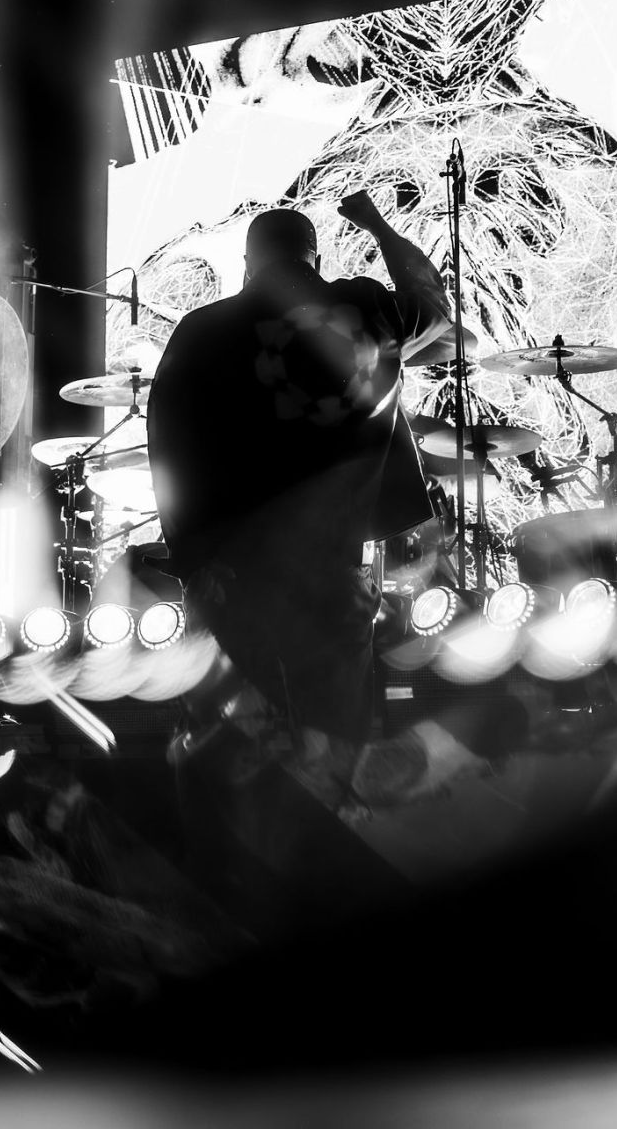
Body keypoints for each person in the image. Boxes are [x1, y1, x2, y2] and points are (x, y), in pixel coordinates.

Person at [148, 192, 450, 795]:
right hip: (332, 569)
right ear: (315, 257)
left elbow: (168, 442)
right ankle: (334, 833)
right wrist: (378, 225)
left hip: (234, 570)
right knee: (335, 739)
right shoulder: (365, 309)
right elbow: (433, 306)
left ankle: (234, 841)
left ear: (247, 265)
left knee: (235, 742)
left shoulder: (205, 330)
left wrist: (191, 558)